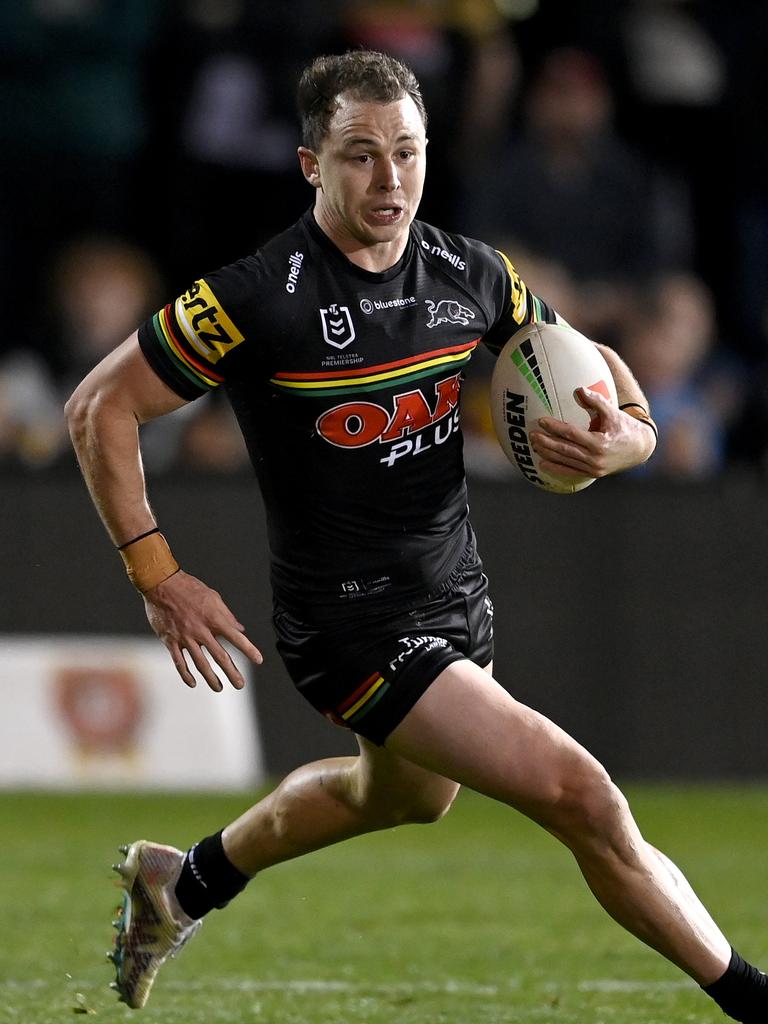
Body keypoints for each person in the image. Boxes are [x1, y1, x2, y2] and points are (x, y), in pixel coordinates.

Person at [64, 50, 765, 1021]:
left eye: (407, 152)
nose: (389, 179)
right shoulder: (256, 297)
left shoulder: (472, 274)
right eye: (360, 155)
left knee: (395, 798)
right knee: (584, 795)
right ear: (312, 164)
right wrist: (157, 570)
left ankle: (183, 883)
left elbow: (619, 393)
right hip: (349, 624)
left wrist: (616, 442)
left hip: (454, 599)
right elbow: (100, 407)